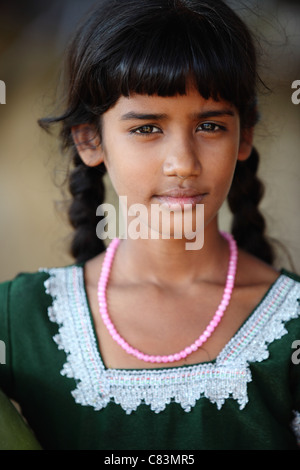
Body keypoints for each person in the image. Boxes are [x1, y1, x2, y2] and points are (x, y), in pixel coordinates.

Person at [0, 0, 299, 451]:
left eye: (211, 125)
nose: (182, 163)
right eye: (146, 129)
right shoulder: (21, 319)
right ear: (89, 139)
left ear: (245, 137)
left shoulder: (291, 323)